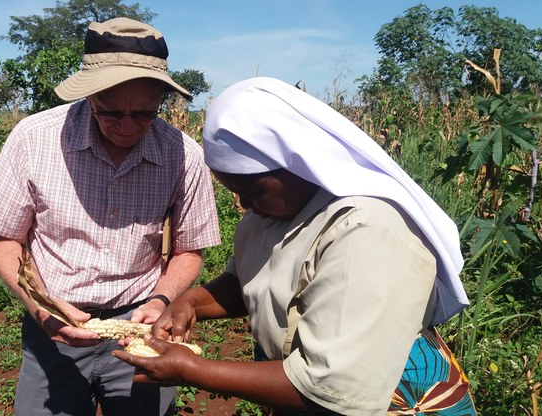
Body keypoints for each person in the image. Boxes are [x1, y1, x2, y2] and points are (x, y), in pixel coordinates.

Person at [113, 77, 477, 415]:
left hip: (387, 401)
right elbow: (250, 282)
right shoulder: (265, 218)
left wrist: (192, 369)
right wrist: (190, 301)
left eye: (255, 191)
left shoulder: (366, 229)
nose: (245, 207)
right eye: (237, 194)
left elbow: (330, 386)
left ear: (299, 163)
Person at [0, 17, 221, 416]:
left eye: (143, 113)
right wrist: (42, 310)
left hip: (142, 326)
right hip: (52, 329)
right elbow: (6, 242)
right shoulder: (34, 139)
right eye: (109, 112)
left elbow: (189, 250)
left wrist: (160, 299)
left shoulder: (182, 155)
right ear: (90, 96)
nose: (126, 126)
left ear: (160, 99)